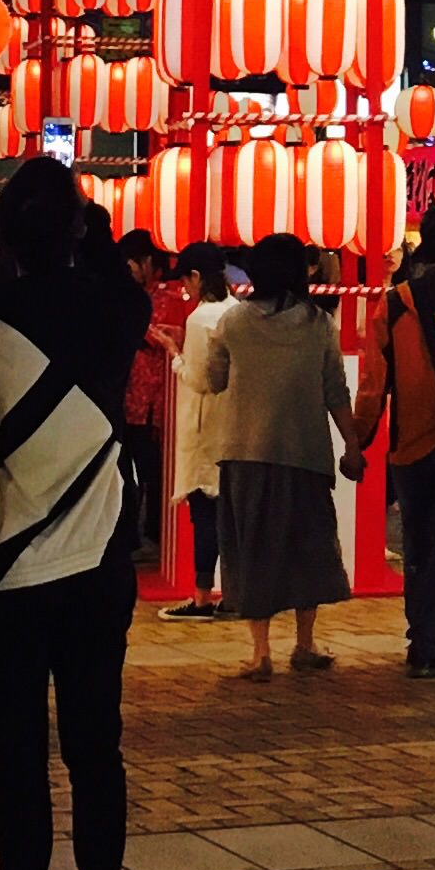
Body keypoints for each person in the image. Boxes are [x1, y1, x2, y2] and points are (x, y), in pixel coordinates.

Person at [0, 164, 141, 870]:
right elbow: (108, 281)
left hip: (12, 565)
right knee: (97, 748)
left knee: (18, 756)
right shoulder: (120, 307)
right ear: (81, 227)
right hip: (102, 555)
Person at [204, 232, 354, 675]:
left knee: (253, 548)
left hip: (245, 451)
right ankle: (304, 644)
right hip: (305, 453)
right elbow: (336, 392)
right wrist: (354, 446)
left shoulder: (232, 322)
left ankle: (261, 652)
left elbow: (214, 381)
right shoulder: (319, 326)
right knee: (306, 545)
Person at [348, 198, 435, 676]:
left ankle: (421, 639)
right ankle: (432, 641)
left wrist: (358, 441)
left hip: (409, 443)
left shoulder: (393, 302)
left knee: (418, 544)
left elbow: (372, 384)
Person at [161, 241, 239, 618]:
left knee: (204, 514)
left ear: (195, 277)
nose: (185, 290)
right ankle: (234, 592)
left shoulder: (200, 318)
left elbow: (199, 378)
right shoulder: (237, 311)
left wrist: (174, 354)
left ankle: (202, 596)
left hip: (204, 425)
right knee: (228, 514)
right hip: (233, 426)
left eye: (186, 282)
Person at [118, 230, 183, 565]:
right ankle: (137, 533)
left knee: (152, 471)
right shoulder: (139, 295)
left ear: (146, 262)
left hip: (153, 401)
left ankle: (155, 537)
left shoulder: (166, 296)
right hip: (131, 399)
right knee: (133, 471)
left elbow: (161, 336)